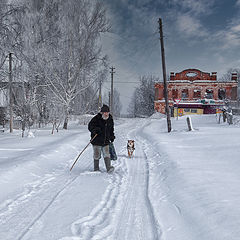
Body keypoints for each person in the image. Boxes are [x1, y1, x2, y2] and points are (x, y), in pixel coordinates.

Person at [88, 104, 115, 173]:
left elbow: (111, 129)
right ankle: (96, 169)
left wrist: (112, 136)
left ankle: (109, 168)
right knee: (96, 155)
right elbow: (90, 126)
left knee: (107, 154)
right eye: (105, 112)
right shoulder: (96, 118)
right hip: (96, 140)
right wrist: (95, 130)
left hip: (106, 141)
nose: (106, 114)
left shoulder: (110, 119)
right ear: (102, 113)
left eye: (107, 112)